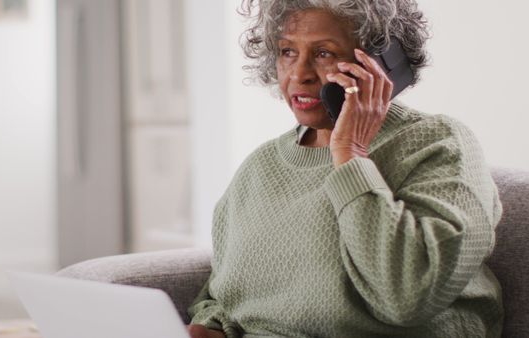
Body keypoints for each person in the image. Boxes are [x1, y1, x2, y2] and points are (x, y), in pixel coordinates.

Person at [187, 0, 503, 337]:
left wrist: (350, 153)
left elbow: (409, 297)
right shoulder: (259, 167)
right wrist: (209, 327)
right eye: (287, 52)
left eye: (324, 53)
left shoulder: (439, 144)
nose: (299, 74)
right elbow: (222, 295)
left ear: (382, 64)